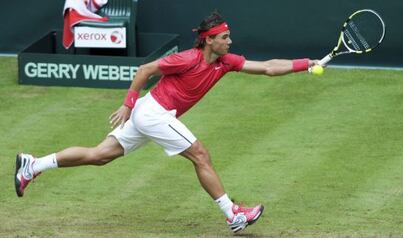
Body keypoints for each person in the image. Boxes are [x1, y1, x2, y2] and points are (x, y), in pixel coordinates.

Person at [14, 11, 316, 233]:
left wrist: (306, 64)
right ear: (209, 40)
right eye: (224, 37)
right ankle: (232, 214)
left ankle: (33, 165)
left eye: (228, 37)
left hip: (153, 113)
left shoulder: (226, 62)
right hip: (152, 112)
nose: (229, 41)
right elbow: (145, 69)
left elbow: (267, 68)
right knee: (200, 154)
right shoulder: (187, 59)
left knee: (100, 155)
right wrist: (127, 105)